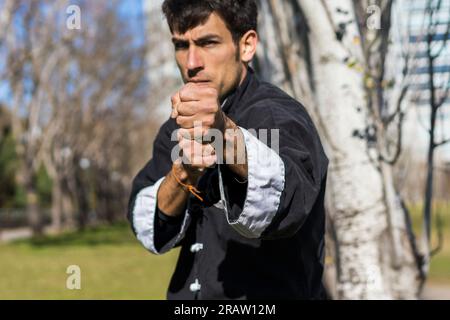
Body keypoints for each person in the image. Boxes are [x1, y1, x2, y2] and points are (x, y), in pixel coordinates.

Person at [127, 0, 329, 300]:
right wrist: (183, 173)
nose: (192, 61)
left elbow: (291, 196)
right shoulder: (174, 129)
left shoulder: (277, 114)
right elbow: (148, 223)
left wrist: (223, 133)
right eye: (181, 46)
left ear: (246, 46)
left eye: (208, 43)